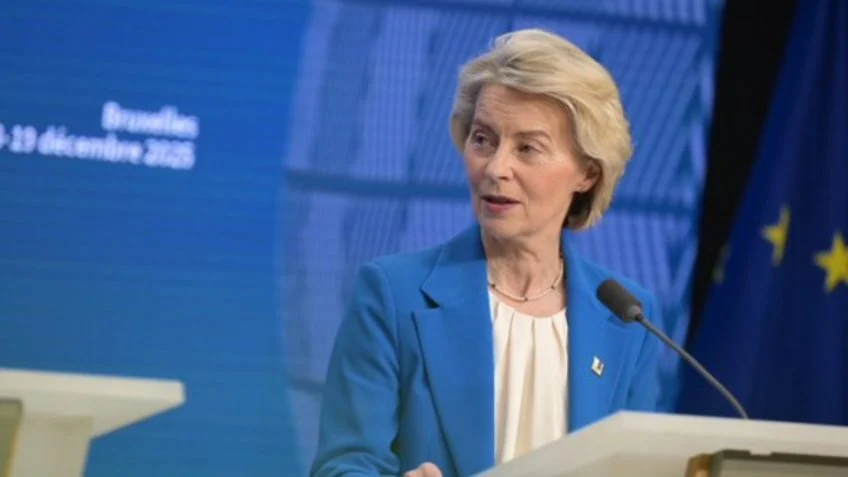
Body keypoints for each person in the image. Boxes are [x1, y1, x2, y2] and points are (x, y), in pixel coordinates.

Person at [310, 28, 663, 477]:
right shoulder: (393, 295)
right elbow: (344, 463)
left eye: (528, 148)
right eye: (483, 139)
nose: (496, 168)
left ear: (587, 173)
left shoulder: (627, 317)